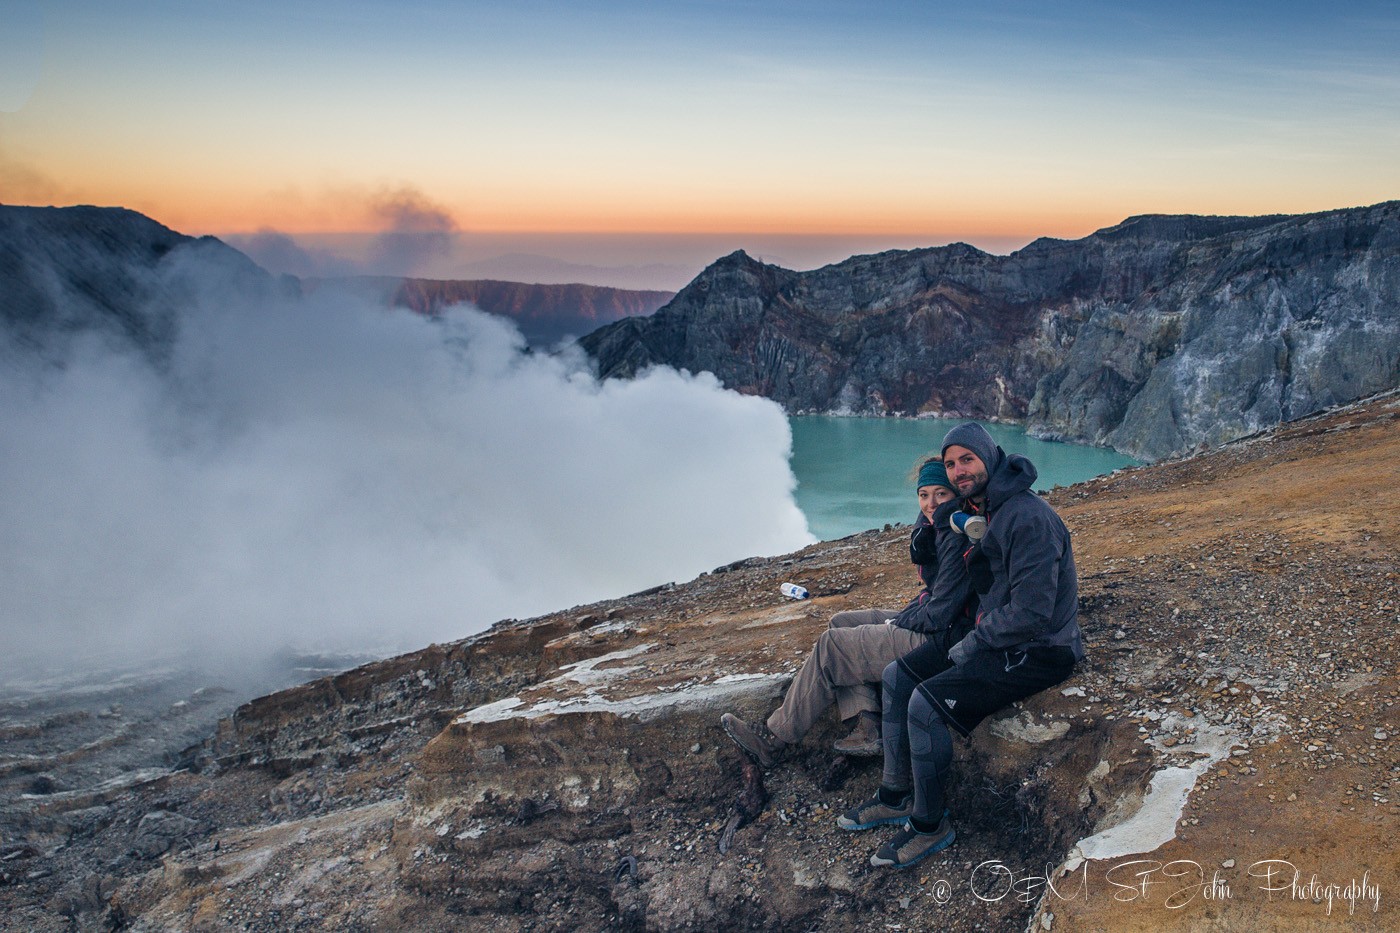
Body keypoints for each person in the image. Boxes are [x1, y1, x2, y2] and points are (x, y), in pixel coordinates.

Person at [842, 422, 1083, 869]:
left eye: (967, 459)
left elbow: (1032, 612)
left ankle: (931, 825)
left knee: (924, 705)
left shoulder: (1027, 518)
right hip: (995, 632)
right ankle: (896, 795)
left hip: (1040, 648)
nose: (957, 471)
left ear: (989, 457)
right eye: (951, 464)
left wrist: (976, 642)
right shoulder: (982, 509)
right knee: (898, 677)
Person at [720, 458, 970, 765]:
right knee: (841, 622)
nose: (931, 503)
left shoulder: (958, 534)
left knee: (833, 647)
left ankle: (774, 740)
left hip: (944, 638)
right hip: (938, 622)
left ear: (954, 494)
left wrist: (900, 620)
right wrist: (906, 614)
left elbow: (942, 612)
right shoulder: (936, 527)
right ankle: (866, 725)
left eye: (940, 494)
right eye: (924, 495)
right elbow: (936, 594)